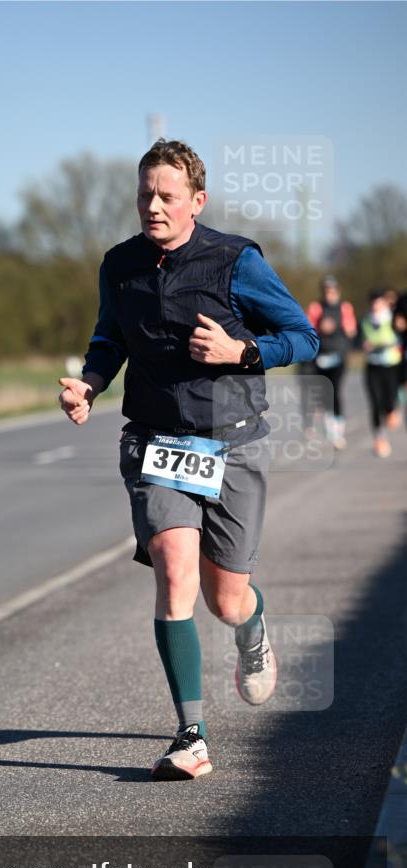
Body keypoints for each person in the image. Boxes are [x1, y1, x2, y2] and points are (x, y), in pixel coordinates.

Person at [59, 139, 318, 781]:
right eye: (145, 194)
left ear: (197, 201)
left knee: (225, 599)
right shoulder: (120, 265)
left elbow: (303, 336)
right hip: (157, 442)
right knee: (175, 571)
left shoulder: (236, 261)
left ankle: (251, 629)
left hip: (233, 443)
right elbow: (109, 336)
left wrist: (242, 352)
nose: (153, 206)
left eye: (167, 196)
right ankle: (191, 735)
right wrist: (90, 383)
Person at [305, 276, 357, 448]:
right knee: (324, 393)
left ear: (338, 291)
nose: (330, 294)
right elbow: (308, 329)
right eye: (327, 291)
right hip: (321, 357)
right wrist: (321, 328)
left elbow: (351, 331)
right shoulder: (316, 307)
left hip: (339, 356)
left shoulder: (345, 307)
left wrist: (337, 327)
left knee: (335, 391)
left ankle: (338, 432)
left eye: (333, 291)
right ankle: (330, 429)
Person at [361, 289, 403, 456]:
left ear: (384, 303)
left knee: (389, 401)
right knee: (375, 402)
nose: (375, 306)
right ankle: (380, 439)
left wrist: (388, 342)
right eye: (373, 303)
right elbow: (358, 339)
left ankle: (393, 410)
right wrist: (364, 344)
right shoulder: (366, 320)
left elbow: (400, 337)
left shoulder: (393, 318)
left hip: (391, 365)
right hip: (373, 366)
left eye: (378, 302)